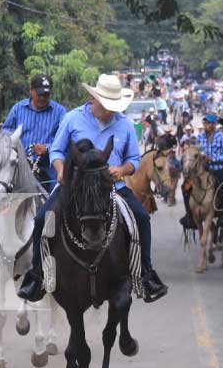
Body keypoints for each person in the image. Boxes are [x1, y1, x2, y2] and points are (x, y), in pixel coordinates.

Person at [17, 74, 168, 304]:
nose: (110, 110)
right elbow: (56, 151)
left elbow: (134, 159)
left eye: (113, 106)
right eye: (106, 104)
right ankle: (37, 276)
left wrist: (122, 169)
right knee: (41, 220)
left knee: (142, 219)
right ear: (93, 98)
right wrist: (59, 169)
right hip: (74, 186)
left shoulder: (125, 124)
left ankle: (146, 275)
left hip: (112, 187)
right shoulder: (72, 119)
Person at [0, 74, 66, 256]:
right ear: (31, 91)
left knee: (59, 194)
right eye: (40, 94)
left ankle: (59, 240)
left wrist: (48, 147)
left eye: (47, 94)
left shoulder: (60, 112)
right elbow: (5, 132)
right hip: (15, 162)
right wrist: (10, 145)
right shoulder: (18, 108)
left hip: (46, 164)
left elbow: (64, 138)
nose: (43, 98)